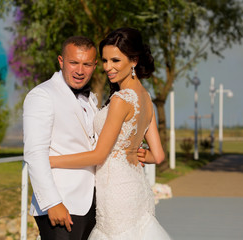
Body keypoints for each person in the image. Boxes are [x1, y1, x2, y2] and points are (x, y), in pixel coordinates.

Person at [50, 28, 172, 239]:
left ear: (133, 60)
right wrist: (135, 153)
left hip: (116, 190)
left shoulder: (121, 100)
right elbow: (159, 156)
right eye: (105, 60)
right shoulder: (145, 97)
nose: (108, 67)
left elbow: (99, 155)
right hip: (136, 185)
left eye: (115, 60)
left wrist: (50, 160)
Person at [23, 36, 99, 239]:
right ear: (61, 61)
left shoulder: (91, 99)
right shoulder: (42, 96)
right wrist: (52, 202)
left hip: (91, 203)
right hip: (61, 203)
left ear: (95, 65)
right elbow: (34, 153)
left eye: (87, 64)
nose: (80, 71)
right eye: (74, 62)